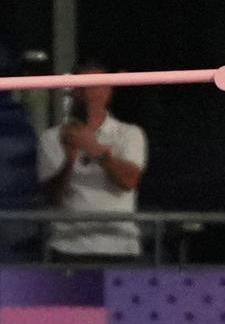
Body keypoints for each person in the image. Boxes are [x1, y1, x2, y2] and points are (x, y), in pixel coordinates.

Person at [34, 82, 147, 261]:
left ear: (108, 92)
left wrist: (93, 148)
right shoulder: (52, 137)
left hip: (119, 246)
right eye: (82, 87)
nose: (88, 94)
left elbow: (128, 182)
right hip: (67, 246)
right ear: (73, 92)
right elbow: (52, 197)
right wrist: (69, 159)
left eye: (95, 87)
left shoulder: (129, 134)